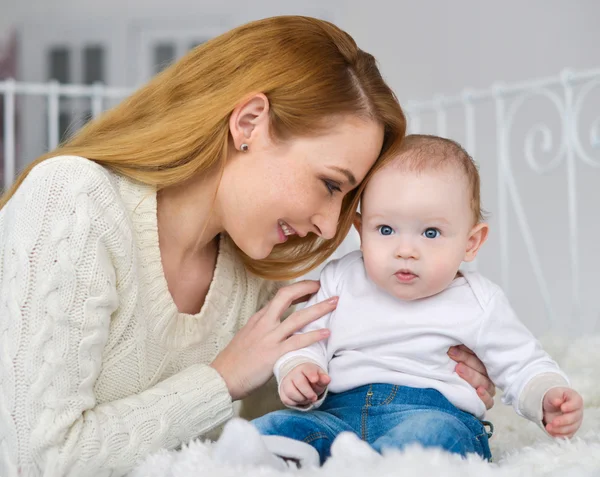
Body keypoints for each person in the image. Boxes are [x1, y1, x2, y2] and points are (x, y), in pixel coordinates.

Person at [0, 17, 496, 477]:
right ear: (250, 122)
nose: (328, 227)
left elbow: (298, 433)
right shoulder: (73, 199)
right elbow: (32, 457)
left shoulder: (252, 276)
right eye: (329, 184)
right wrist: (221, 380)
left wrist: (430, 377)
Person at [215, 134, 584, 468]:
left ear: (471, 242)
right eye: (386, 229)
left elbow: (522, 363)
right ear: (361, 231)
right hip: (337, 414)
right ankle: (266, 458)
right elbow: (306, 341)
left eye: (431, 232)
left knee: (433, 434)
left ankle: (370, 465)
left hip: (431, 410)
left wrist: (547, 394)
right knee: (278, 425)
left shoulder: (478, 300)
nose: (405, 250)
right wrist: (298, 371)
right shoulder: (340, 278)